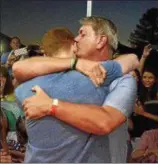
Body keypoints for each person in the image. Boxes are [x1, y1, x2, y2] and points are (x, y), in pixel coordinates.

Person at [13, 18, 139, 163]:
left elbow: (105, 122)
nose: (76, 39)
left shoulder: (122, 79)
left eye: (82, 34)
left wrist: (51, 105)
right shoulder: (58, 73)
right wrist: (76, 63)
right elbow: (19, 68)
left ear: (100, 41)